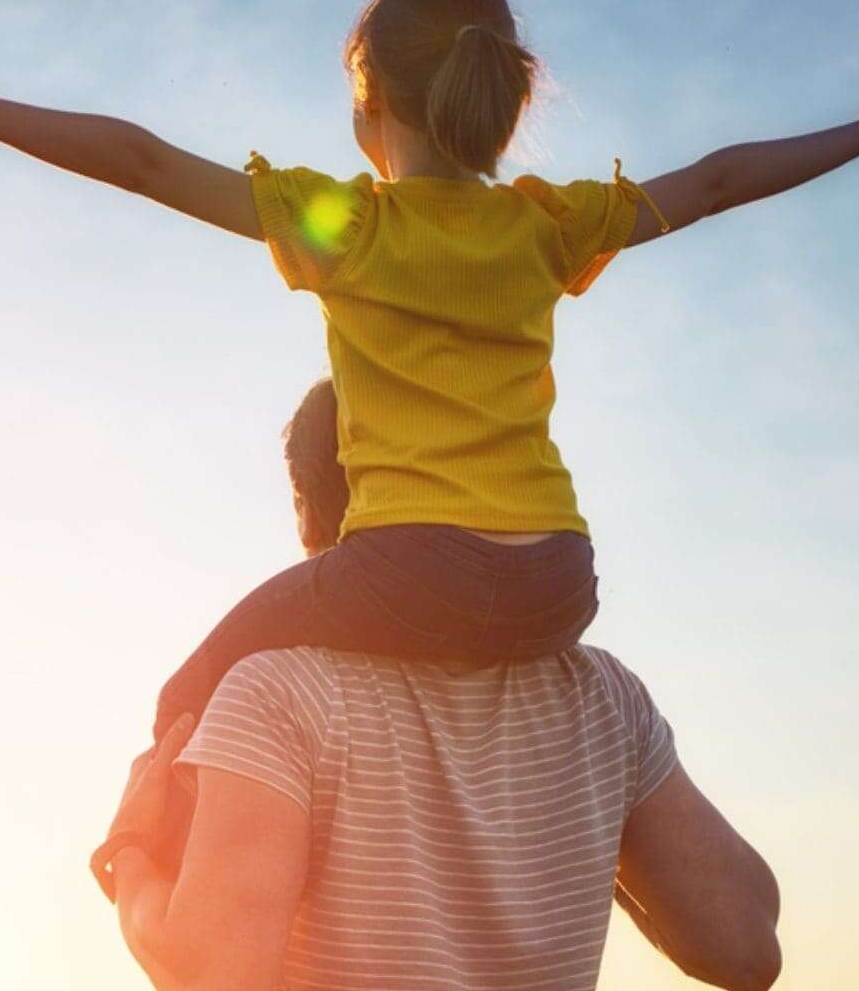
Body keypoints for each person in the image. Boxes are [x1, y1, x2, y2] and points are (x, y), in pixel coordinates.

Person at [0, 0, 859, 743]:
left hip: (410, 570)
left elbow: (142, 162)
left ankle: (157, 882)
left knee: (189, 695)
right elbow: (719, 179)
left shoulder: (349, 226)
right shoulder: (548, 226)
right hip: (557, 582)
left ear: (367, 105)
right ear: (498, 98)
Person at [95, 379, 782, 990]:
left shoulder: (279, 696)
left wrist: (126, 855)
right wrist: (604, 824)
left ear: (308, 508)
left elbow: (212, 979)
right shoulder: (602, 698)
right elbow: (746, 947)